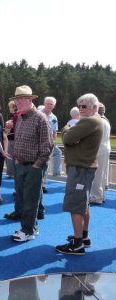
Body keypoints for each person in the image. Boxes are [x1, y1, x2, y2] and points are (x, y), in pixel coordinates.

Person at [55, 93, 103, 255]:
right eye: (80, 106)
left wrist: (68, 128)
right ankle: (83, 237)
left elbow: (67, 138)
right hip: (83, 168)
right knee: (83, 203)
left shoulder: (90, 121)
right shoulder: (91, 121)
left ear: (94, 107)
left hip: (81, 169)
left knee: (75, 205)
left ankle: (77, 244)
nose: (81, 109)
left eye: (84, 106)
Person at [10, 86, 53, 242]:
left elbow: (47, 145)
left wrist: (37, 164)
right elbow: (18, 140)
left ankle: (27, 230)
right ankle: (31, 227)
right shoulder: (21, 117)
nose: (18, 102)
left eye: (21, 99)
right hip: (20, 164)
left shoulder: (40, 118)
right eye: (16, 99)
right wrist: (16, 158)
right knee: (22, 197)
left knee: (31, 199)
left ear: (30, 100)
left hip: (33, 166)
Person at [40, 97, 62, 197]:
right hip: (36, 143)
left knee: (46, 165)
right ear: (44, 104)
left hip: (48, 145)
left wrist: (53, 143)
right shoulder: (38, 113)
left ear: (54, 105)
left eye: (51, 104)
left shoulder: (54, 118)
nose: (49, 105)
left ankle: (43, 185)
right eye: (48, 103)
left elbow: (54, 132)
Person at [89, 102, 110, 205]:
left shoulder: (98, 122)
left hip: (98, 150)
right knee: (102, 174)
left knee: (97, 175)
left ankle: (97, 197)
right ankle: (102, 195)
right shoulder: (106, 120)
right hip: (105, 149)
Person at [5, 100, 17, 178]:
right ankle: (13, 173)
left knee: (9, 156)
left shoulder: (15, 116)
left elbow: (11, 128)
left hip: (12, 138)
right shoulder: (13, 115)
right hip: (12, 138)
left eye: (10, 107)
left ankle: (11, 173)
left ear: (13, 107)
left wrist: (7, 129)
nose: (9, 108)